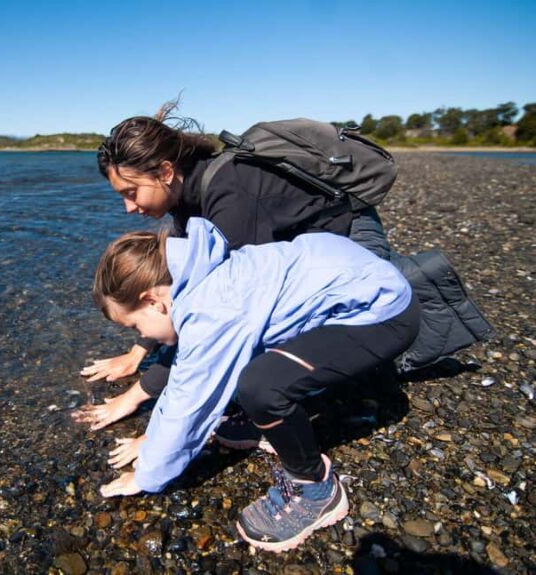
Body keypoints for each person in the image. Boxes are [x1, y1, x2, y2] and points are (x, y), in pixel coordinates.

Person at [74, 104, 491, 435]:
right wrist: (137, 353)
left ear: (165, 172)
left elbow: (223, 316)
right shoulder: (186, 203)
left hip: (351, 233)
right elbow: (170, 290)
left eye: (131, 192)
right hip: (309, 247)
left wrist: (141, 397)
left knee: (277, 337)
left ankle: (420, 305)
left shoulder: (229, 195)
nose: (129, 207)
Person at [92, 218, 420, 552]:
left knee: (260, 387)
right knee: (237, 362)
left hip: (382, 314)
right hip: (360, 282)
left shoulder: (212, 309)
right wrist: (152, 439)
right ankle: (263, 423)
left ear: (151, 301)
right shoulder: (201, 274)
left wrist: (148, 473)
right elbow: (186, 372)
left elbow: (190, 401)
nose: (143, 337)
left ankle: (315, 487)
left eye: (135, 326)